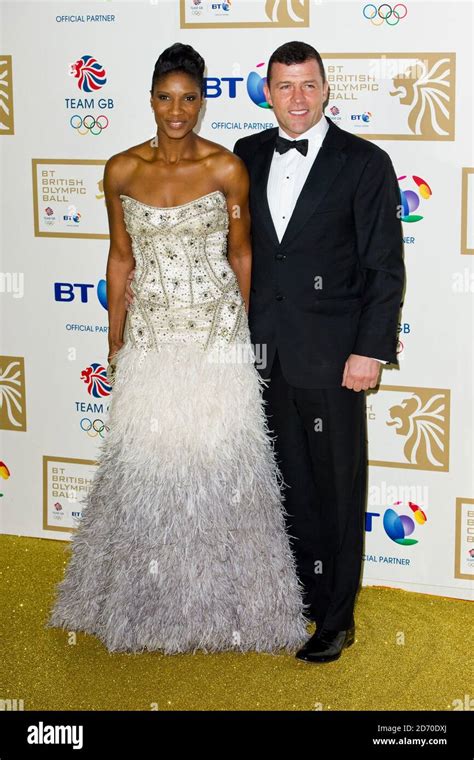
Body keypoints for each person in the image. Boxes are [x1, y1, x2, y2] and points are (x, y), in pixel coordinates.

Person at [124, 41, 405, 663]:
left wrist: (369, 352)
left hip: (333, 358)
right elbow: (222, 253)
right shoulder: (244, 156)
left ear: (327, 89)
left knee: (335, 484)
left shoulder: (365, 162)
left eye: (308, 85)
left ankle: (336, 618)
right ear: (267, 91)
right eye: (284, 86)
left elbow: (384, 268)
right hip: (251, 356)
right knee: (283, 484)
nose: (297, 98)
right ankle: (296, 595)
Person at [46, 42, 308, 654]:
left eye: (189, 98)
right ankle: (147, 606)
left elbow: (242, 253)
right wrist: (114, 329)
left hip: (216, 335)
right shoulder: (121, 170)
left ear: (202, 101)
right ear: (151, 99)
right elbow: (119, 255)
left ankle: (231, 609)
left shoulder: (226, 169)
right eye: (166, 97)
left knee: (223, 472)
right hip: (151, 336)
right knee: (150, 472)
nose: (177, 110)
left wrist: (238, 330)